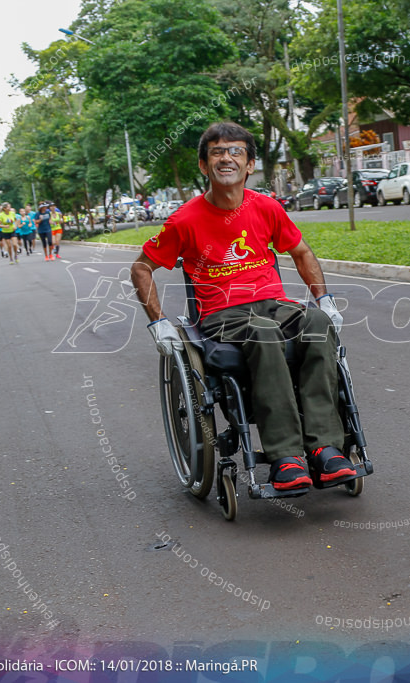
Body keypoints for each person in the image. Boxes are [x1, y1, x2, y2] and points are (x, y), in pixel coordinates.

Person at [130, 121, 355, 491]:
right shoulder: (185, 219)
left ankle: (326, 449)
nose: (226, 158)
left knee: (316, 323)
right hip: (222, 316)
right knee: (263, 333)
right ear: (204, 165)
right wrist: (159, 323)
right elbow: (141, 267)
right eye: (217, 151)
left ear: (250, 165)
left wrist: (324, 300)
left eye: (236, 151)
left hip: (275, 304)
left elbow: (301, 252)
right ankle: (286, 456)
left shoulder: (265, 207)